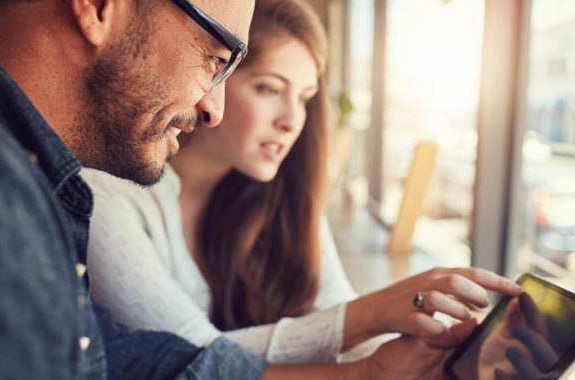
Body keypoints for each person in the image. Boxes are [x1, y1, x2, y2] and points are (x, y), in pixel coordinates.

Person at [0, 0, 480, 378]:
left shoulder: (13, 165)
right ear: (98, 7)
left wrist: (368, 374)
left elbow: (110, 353)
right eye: (215, 58)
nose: (214, 108)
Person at [83, 0, 524, 368]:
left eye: (305, 98)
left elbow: (339, 313)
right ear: (213, 76)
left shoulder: (283, 197)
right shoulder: (105, 193)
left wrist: (441, 352)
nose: (292, 121)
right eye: (270, 89)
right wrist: (369, 315)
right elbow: (193, 354)